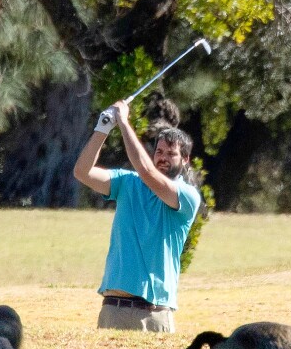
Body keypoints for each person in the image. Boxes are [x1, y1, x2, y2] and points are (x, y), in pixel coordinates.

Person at [73, 100, 201, 333]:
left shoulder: (187, 196)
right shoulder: (127, 182)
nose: (162, 157)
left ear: (185, 160)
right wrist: (102, 129)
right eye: (158, 151)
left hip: (154, 314)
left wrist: (123, 122)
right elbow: (82, 172)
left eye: (170, 154)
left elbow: (147, 171)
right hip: (113, 308)